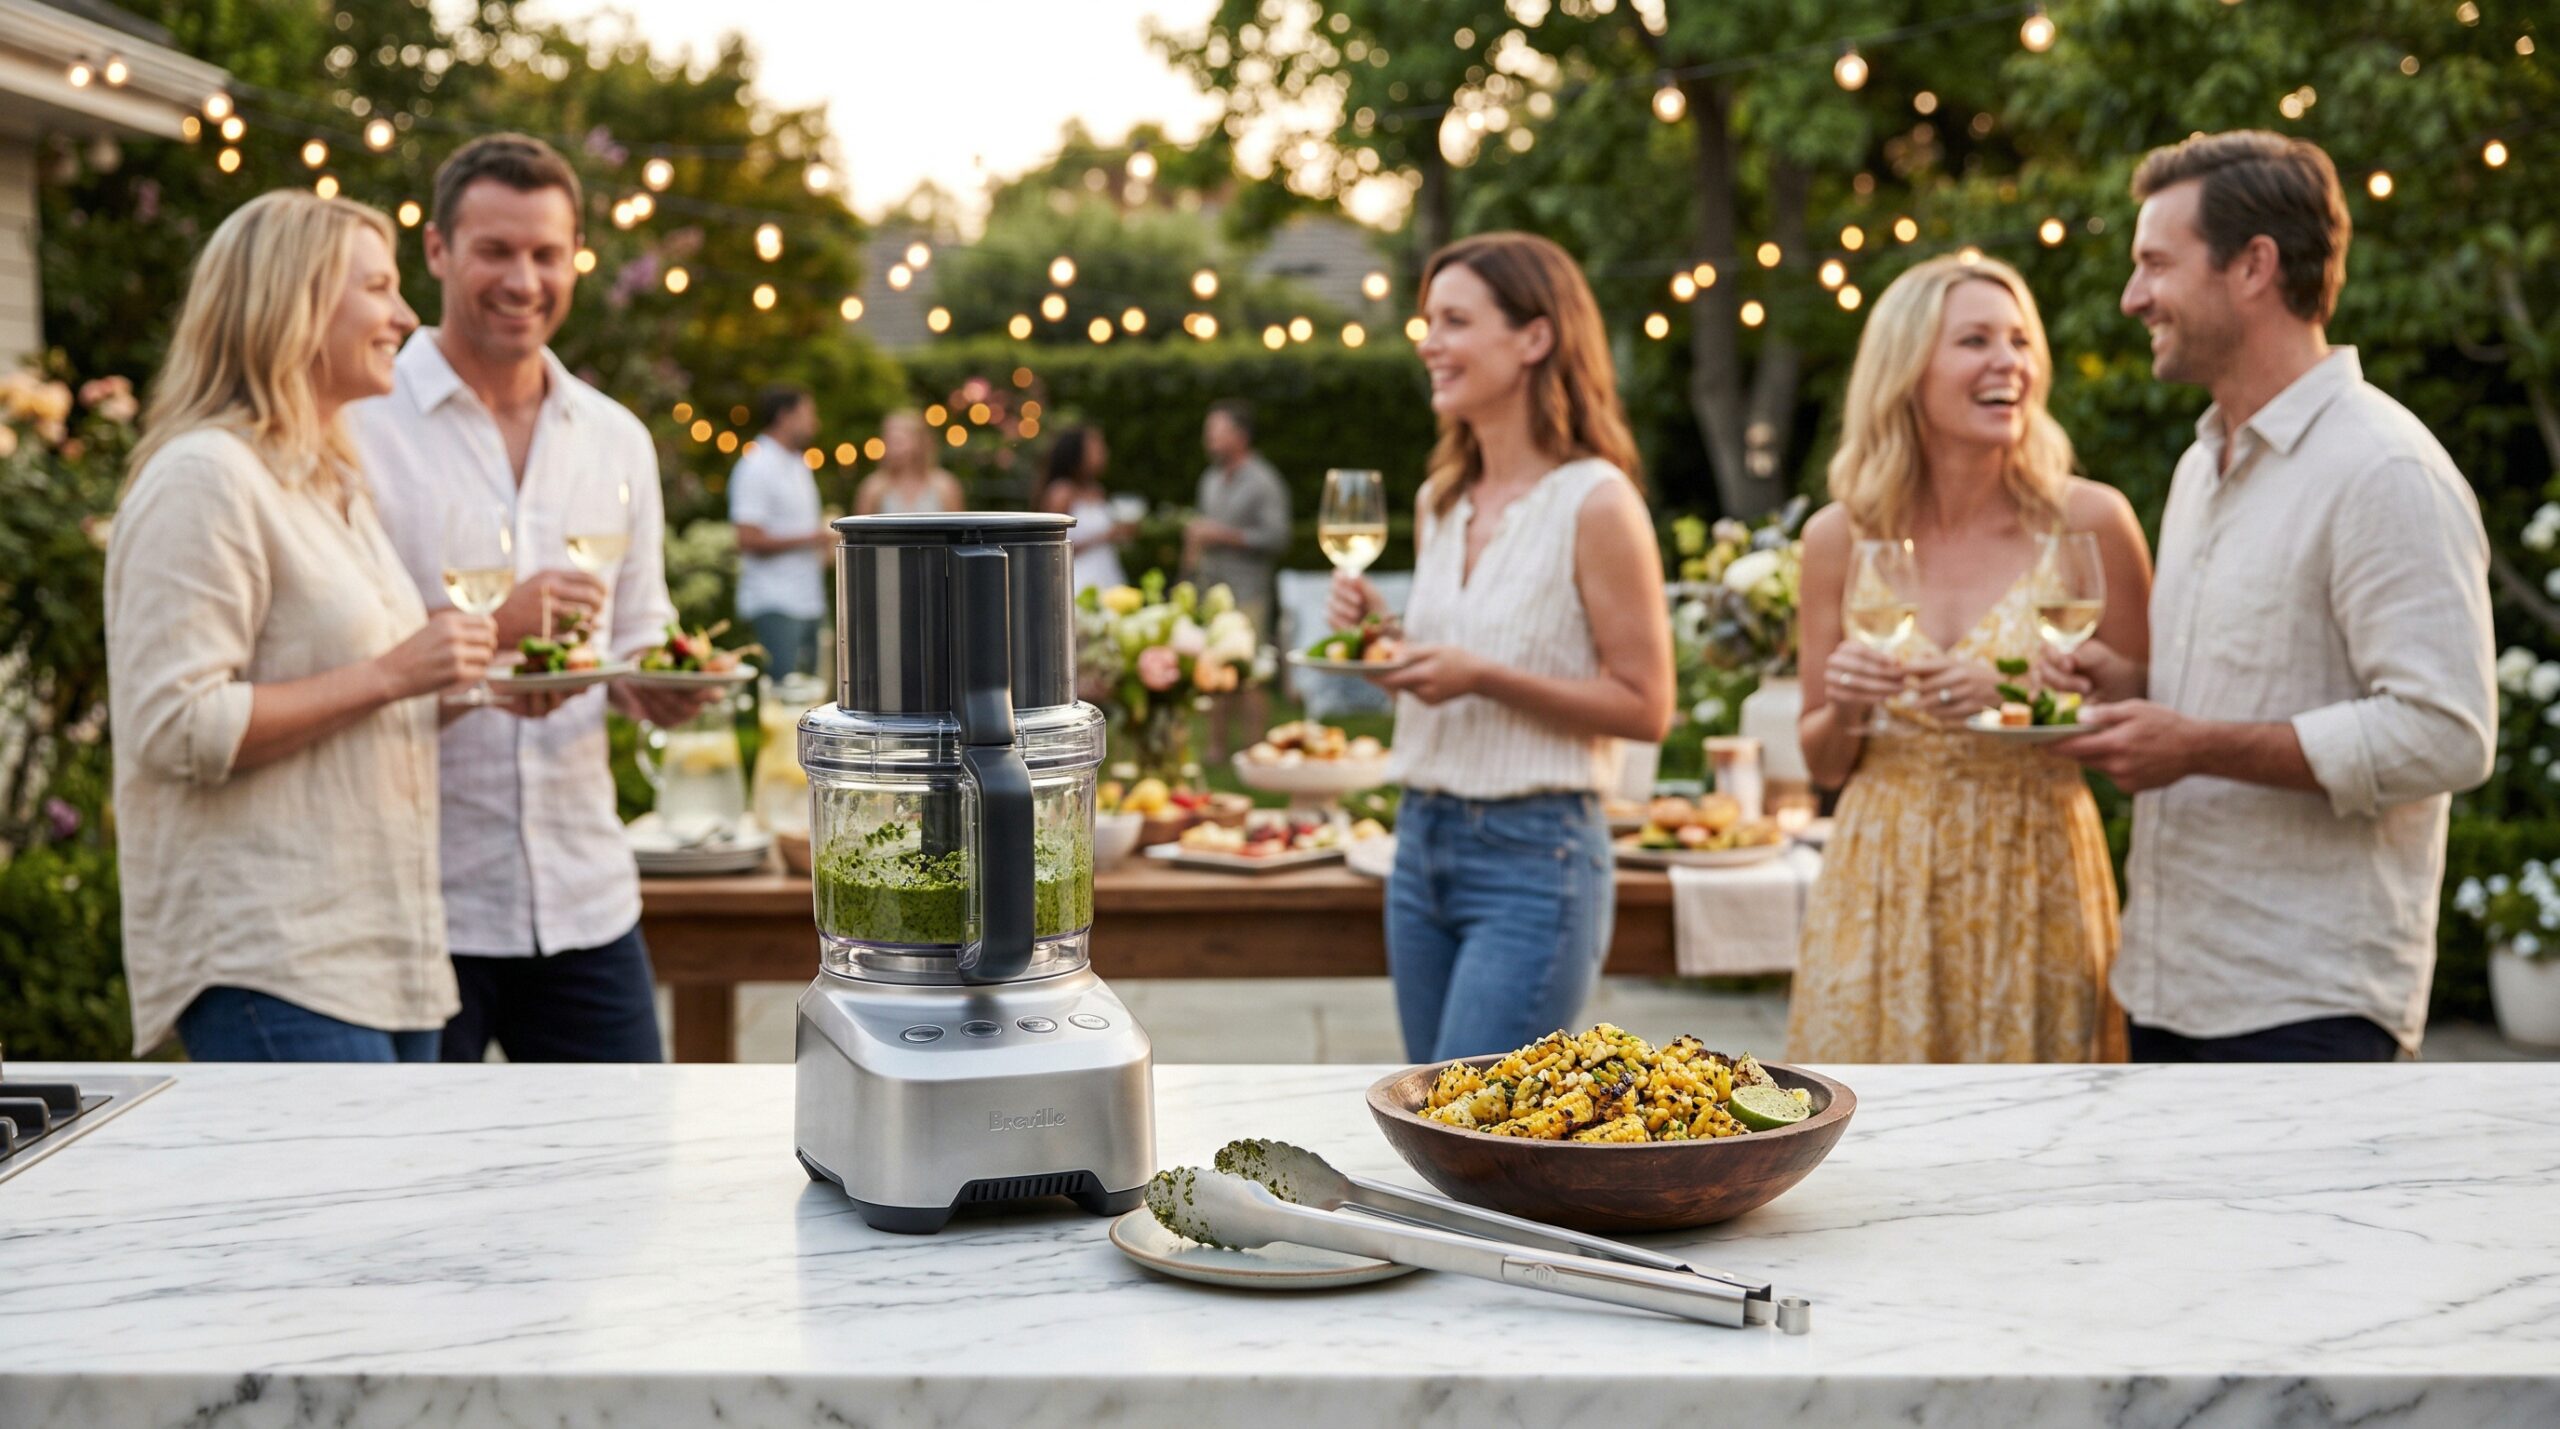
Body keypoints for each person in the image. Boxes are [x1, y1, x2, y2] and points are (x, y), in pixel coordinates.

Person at [2048, 131, 2495, 1062]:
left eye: (2154, 265)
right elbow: (2239, 685)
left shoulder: (2385, 467)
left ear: (2254, 266)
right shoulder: (2197, 468)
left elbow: (2449, 730)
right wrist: (2127, 683)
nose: (2133, 298)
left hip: (2310, 1006)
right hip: (2167, 978)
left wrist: (2199, 747)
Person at [351, 134, 719, 1064]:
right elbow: (339, 655)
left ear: (575, 259)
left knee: (620, 1183)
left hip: (586, 893)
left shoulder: (616, 438)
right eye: (496, 250)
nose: (524, 279)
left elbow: (640, 630)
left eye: (546, 254)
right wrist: (502, 624)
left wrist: (664, 683)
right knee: (417, 1189)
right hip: (416, 897)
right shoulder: (360, 424)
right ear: (436, 251)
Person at [107, 190, 499, 1060]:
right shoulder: (206, 478)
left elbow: (353, 702)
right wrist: (397, 672)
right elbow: (173, 726)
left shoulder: (329, 486)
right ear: (293, 302)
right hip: (275, 961)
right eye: (378, 287)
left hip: (384, 955)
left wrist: (458, 688)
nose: (404, 314)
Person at [1788, 254, 2152, 1064]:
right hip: (1882, 868)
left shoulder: (2090, 522)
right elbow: (1825, 760)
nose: (2009, 363)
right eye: (1976, 340)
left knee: (2041, 1142)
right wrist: (1848, 702)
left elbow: (2140, 716)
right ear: (1905, 368)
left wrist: (2019, 692)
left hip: (2037, 865)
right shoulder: (1838, 537)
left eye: (2021, 341)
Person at [1327, 232, 1674, 1062]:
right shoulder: (1439, 501)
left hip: (1535, 857)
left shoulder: (1597, 502)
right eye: (1426, 321)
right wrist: (1386, 641)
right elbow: (1441, 674)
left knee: (1477, 1139)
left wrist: (1482, 676)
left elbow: (1647, 705)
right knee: (1430, 1115)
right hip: (1420, 844)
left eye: (1453, 320)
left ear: (1535, 336)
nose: (1429, 343)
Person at [1187, 399, 1290, 757]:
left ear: (1241, 435)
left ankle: (1254, 748)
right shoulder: (1210, 479)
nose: (1208, 438)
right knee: (1214, 669)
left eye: (1217, 430)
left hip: (1249, 592)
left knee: (1250, 673)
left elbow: (1278, 537)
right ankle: (1216, 750)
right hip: (1212, 589)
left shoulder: (1263, 481)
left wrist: (1223, 535)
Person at [729, 384, 832, 676]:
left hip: (808, 598)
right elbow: (746, 537)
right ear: (785, 416)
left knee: (809, 694)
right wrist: (815, 537)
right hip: (775, 600)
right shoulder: (756, 465)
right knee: (783, 692)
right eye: (809, 414)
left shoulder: (800, 464)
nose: (815, 423)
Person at [1039, 423, 1130, 592]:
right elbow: (1049, 548)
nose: (1104, 454)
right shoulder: (1061, 492)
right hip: (1078, 581)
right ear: (1076, 453)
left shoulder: (1098, 490)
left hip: (1107, 576)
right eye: (1097, 448)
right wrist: (1106, 536)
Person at [855, 410, 964, 515]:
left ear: (920, 443)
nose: (894, 449)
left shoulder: (945, 486)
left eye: (899, 441)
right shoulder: (873, 487)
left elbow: (959, 529)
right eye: (889, 441)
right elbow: (858, 531)